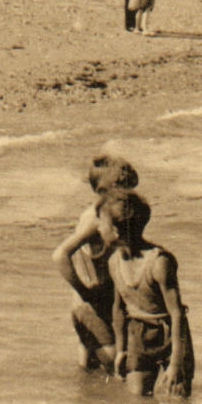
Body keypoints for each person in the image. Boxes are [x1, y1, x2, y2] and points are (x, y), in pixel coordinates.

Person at [51, 155, 140, 371]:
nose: (129, 197)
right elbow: (60, 255)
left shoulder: (107, 215)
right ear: (102, 191)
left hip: (93, 301)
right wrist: (83, 290)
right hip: (90, 303)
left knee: (88, 365)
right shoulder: (94, 220)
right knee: (115, 362)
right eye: (123, 191)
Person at [102, 189, 193, 398]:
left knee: (177, 399)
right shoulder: (113, 263)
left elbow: (177, 314)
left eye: (101, 223)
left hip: (171, 334)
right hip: (138, 334)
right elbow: (118, 309)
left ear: (117, 231)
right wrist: (121, 350)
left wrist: (176, 364)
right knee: (137, 400)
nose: (97, 228)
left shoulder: (159, 263)